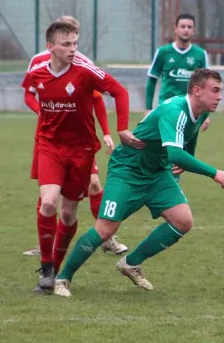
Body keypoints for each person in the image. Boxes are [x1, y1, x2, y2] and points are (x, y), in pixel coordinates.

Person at [53, 68, 224, 297]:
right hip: (128, 171)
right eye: (215, 91)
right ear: (197, 91)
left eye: (220, 91)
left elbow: (189, 138)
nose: (219, 96)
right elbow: (176, 155)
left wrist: (187, 161)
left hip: (157, 173)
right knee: (106, 229)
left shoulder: (202, 112)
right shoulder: (175, 111)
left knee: (183, 221)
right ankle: (63, 278)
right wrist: (212, 172)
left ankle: (131, 263)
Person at [22, 20, 142, 294]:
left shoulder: (86, 72)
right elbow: (29, 93)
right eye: (66, 44)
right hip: (50, 147)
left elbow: (119, 92)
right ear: (50, 47)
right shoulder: (37, 72)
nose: (73, 49)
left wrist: (121, 127)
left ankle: (57, 266)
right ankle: (47, 269)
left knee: (67, 212)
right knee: (49, 203)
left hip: (82, 151)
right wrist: (41, 113)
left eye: (75, 43)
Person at [145, 14, 211, 133]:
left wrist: (205, 113)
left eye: (189, 27)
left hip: (191, 109)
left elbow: (206, 85)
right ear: (175, 29)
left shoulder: (200, 54)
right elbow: (152, 80)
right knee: (168, 146)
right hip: (167, 107)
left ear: (194, 31)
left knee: (187, 147)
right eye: (183, 26)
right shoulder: (163, 52)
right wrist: (148, 108)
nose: (186, 30)